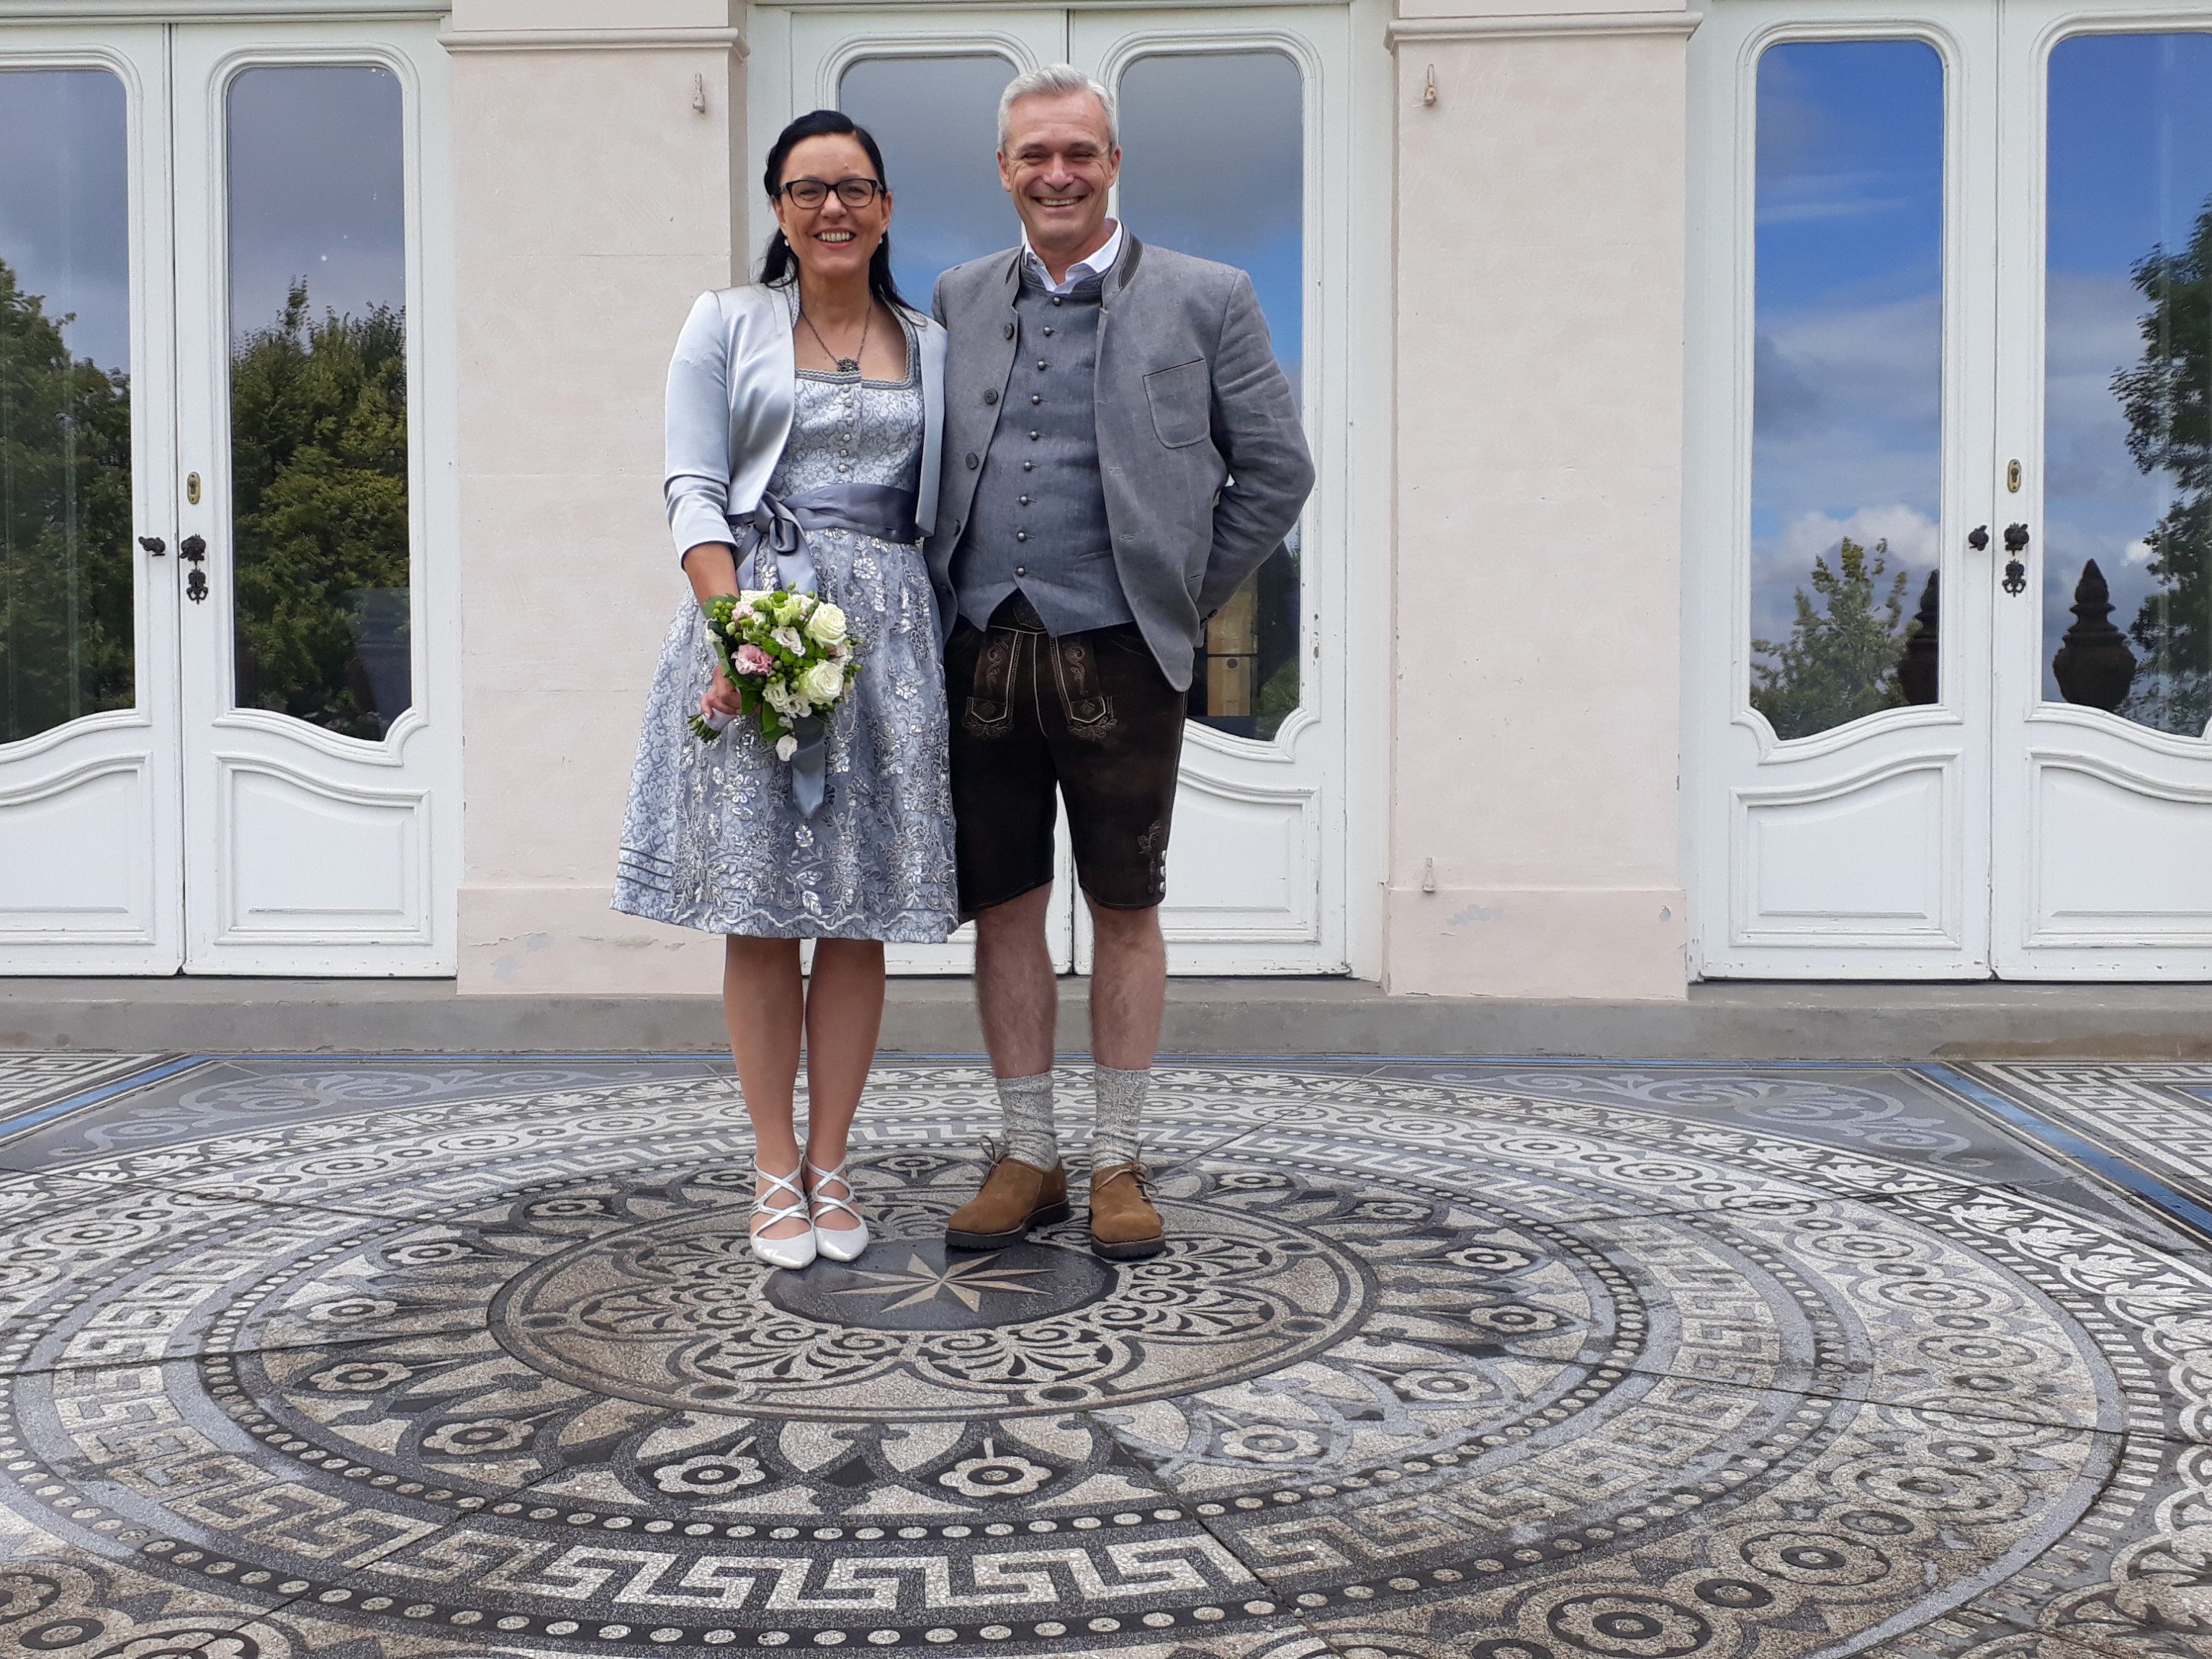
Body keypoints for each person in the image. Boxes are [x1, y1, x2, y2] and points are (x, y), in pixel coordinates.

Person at [929, 66, 1313, 1261]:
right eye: (1035, 155)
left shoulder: (1212, 295)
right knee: (1003, 907)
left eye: (1079, 154)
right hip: (979, 645)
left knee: (1127, 908)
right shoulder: (955, 294)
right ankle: (1028, 1154)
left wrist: (1176, 598)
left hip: (1127, 654)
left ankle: (1118, 1160)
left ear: (1113, 163)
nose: (1057, 174)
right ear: (1003, 169)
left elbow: (1278, 471)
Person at [613, 110, 956, 1270]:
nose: (833, 209)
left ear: (887, 206)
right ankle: (773, 1169)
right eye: (808, 190)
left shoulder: (933, 339)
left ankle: (836, 1163)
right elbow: (692, 485)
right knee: (763, 911)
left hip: (892, 646)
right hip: (758, 615)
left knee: (855, 912)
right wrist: (742, 633)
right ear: (777, 208)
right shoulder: (727, 322)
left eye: (855, 187)